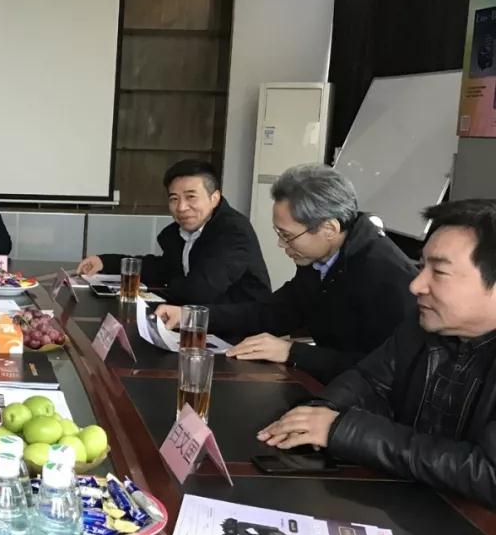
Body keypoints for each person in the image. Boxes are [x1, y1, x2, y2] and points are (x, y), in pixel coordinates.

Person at [258, 199, 496, 509]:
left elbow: (487, 473)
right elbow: (368, 380)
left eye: (438, 271)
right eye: (421, 266)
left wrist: (342, 430)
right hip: (414, 506)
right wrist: (320, 411)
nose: (416, 285)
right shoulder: (421, 328)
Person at [157, 164, 417, 383]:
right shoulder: (320, 259)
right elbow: (273, 312)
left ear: (329, 228)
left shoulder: (387, 277)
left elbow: (389, 370)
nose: (281, 245)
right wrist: (192, 317)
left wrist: (293, 352)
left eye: (288, 235)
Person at [76, 159, 270, 305]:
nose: (181, 207)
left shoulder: (234, 232)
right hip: (195, 320)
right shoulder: (181, 231)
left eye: (191, 197)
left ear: (214, 198)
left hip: (238, 332)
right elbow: (162, 268)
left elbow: (200, 291)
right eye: (174, 199)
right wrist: (105, 262)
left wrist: (148, 293)